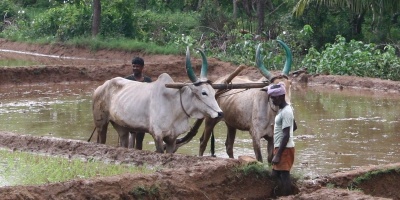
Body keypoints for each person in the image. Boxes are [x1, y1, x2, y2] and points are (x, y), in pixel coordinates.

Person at [266, 82, 296, 196]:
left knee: (284, 175)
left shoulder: (286, 111)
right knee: (275, 175)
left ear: (281, 96)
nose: (272, 100)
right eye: (271, 97)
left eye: (274, 97)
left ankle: (287, 196)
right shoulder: (283, 110)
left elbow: (286, 134)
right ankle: (280, 195)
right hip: (281, 147)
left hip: (285, 149)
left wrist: (278, 154)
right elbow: (294, 126)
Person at [125, 57, 152, 150]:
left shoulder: (148, 81)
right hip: (130, 111)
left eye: (137, 66)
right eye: (134, 66)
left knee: (140, 138)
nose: (135, 68)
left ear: (142, 67)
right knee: (130, 135)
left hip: (143, 113)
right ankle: (129, 152)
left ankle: (139, 154)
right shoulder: (127, 80)